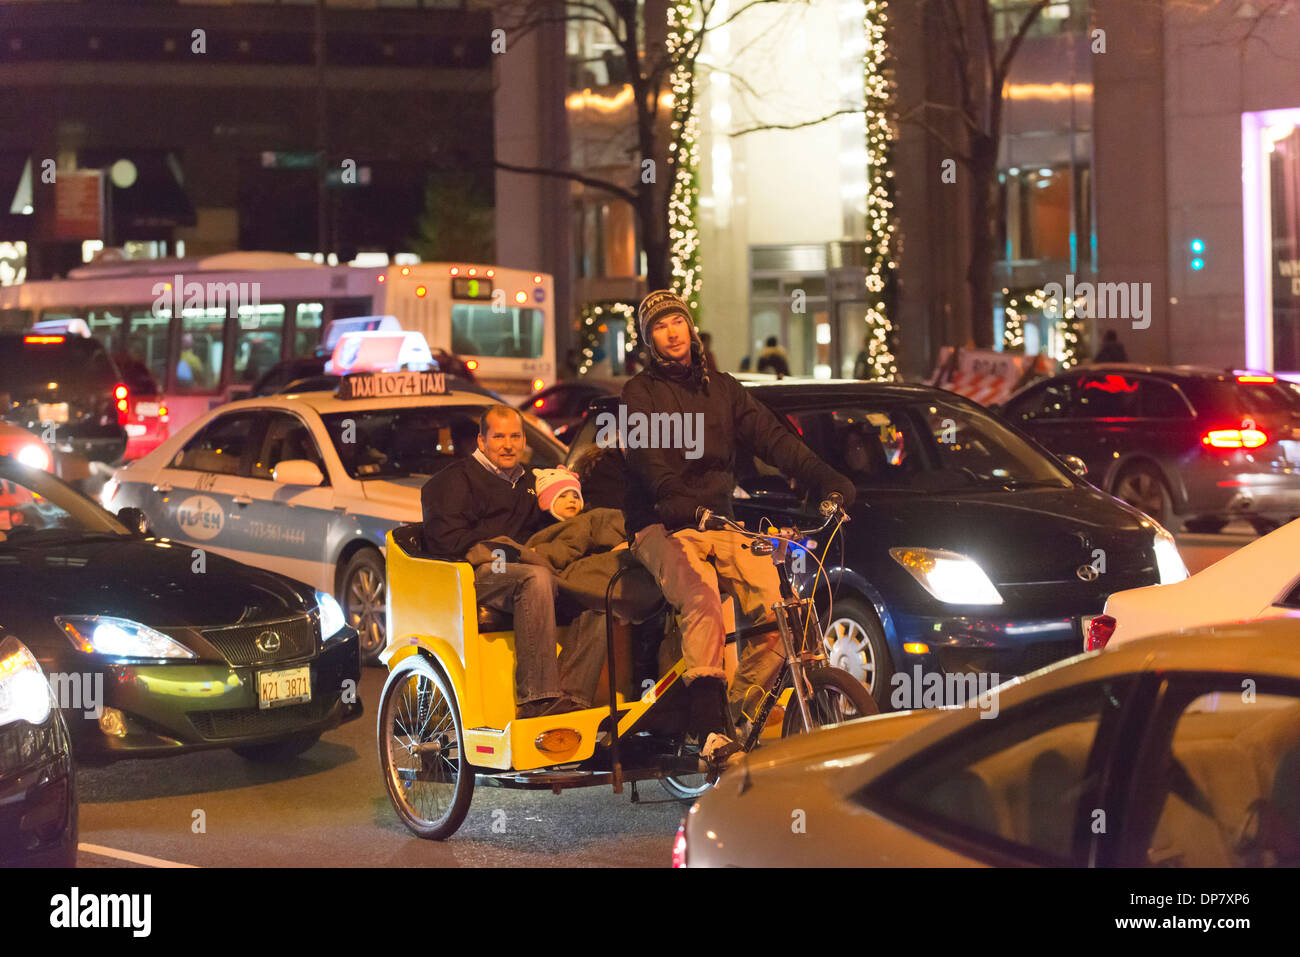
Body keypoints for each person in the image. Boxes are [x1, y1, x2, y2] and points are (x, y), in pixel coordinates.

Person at [622, 290, 857, 768]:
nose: (672, 332)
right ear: (649, 340)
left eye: (677, 322)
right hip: (661, 523)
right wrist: (680, 503)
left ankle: (738, 714)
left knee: (780, 604)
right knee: (701, 597)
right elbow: (651, 466)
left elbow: (774, 439)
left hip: (718, 520)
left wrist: (828, 479)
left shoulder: (723, 389)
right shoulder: (639, 395)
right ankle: (708, 730)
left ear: (691, 328)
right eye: (660, 327)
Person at [421, 405, 594, 717]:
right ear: (482, 441)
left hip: (524, 565)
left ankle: (573, 697)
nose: (508, 444)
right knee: (534, 579)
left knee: (596, 593)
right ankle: (536, 698)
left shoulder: (532, 481)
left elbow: (548, 530)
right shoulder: (454, 481)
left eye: (515, 436)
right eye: (498, 436)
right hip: (475, 572)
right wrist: (508, 552)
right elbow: (445, 540)